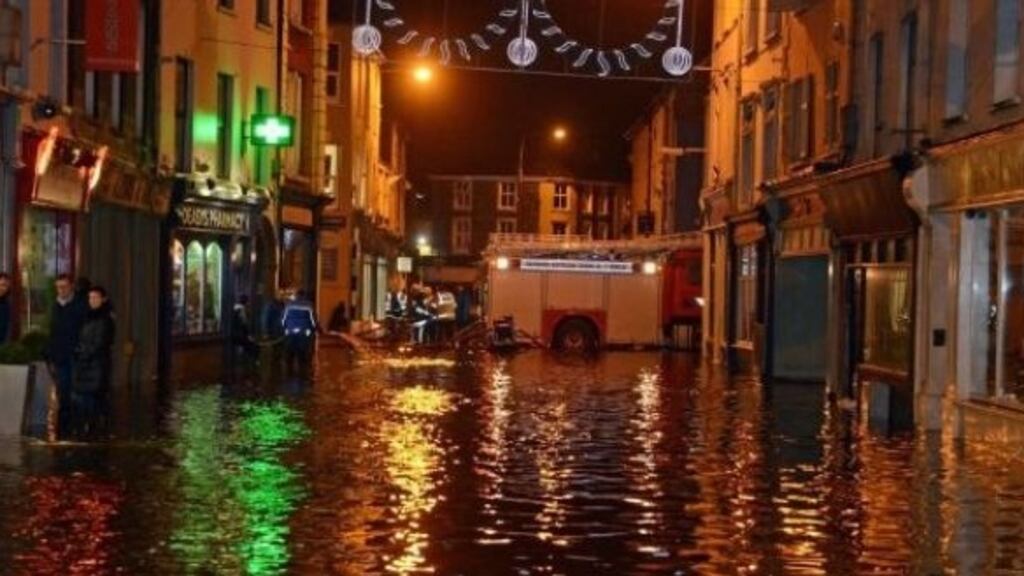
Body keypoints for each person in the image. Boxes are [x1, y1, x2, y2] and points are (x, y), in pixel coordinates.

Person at [72, 286, 115, 440]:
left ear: (103, 299)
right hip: (86, 365)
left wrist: (83, 354)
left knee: (92, 398)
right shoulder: (88, 317)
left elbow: (100, 343)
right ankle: (89, 429)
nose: (92, 301)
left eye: (95, 297)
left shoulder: (106, 320)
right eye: (90, 298)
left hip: (96, 365)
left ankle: (94, 429)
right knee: (84, 399)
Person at [46, 274, 86, 438]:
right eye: (58, 287)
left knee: (75, 390)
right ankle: (65, 425)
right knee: (63, 389)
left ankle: (76, 424)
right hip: (60, 355)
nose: (61, 290)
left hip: (74, 355)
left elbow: (83, 329)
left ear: (71, 287)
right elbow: (54, 331)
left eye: (64, 287)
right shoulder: (56, 306)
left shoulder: (79, 305)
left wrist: (79, 349)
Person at [281, 289, 317, 375]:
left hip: (290, 332)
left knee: (289, 353)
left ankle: (288, 372)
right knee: (303, 354)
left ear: (296, 296)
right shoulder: (308, 305)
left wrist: (284, 328)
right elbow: (312, 320)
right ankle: (302, 372)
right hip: (304, 332)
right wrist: (313, 328)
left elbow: (283, 319)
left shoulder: (289, 305)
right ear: (304, 295)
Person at [232, 295, 260, 364]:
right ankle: (255, 362)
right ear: (245, 302)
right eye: (248, 301)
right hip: (241, 336)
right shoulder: (242, 310)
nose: (249, 303)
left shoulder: (234, 309)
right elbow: (244, 324)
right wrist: (248, 335)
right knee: (254, 347)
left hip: (235, 335)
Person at [0, 273, 11, 345]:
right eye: (2, 285)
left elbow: (6, 327)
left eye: (6, 286)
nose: (3, 288)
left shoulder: (6, 305)